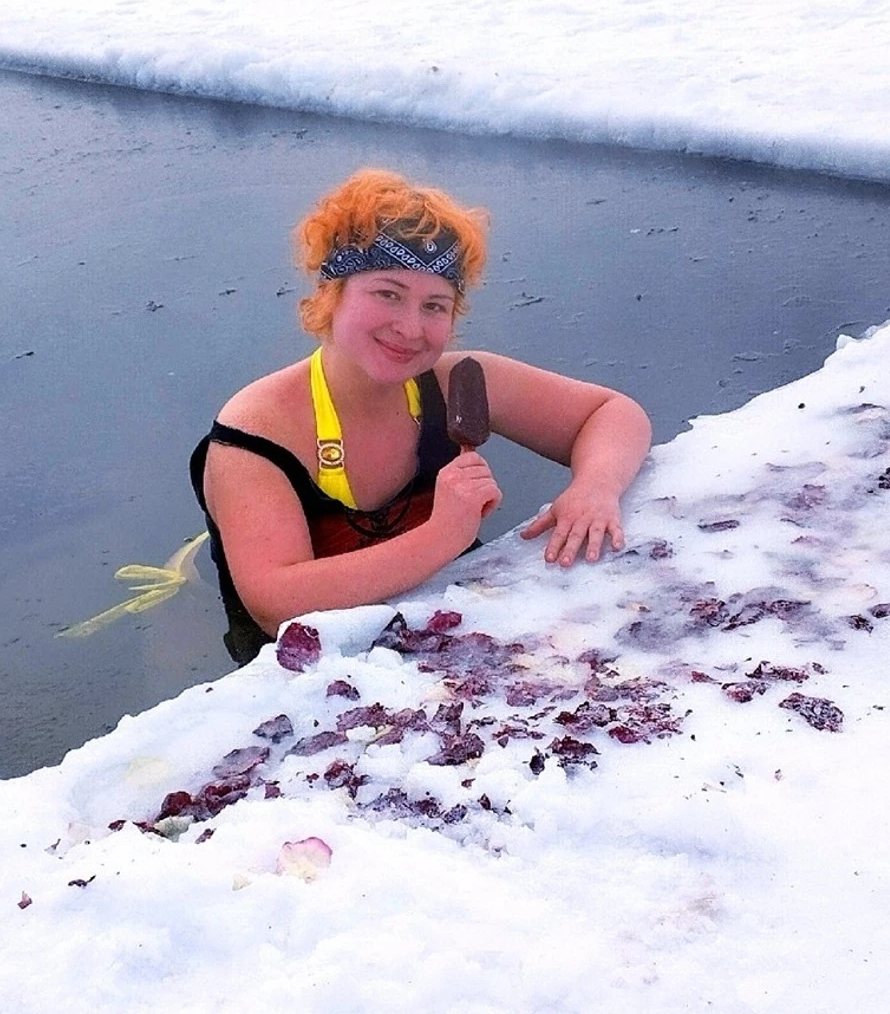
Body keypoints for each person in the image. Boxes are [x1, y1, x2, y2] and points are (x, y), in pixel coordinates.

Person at [190, 169, 652, 662]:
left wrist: (595, 487)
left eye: (435, 305)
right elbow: (276, 603)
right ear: (332, 292)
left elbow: (612, 413)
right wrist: (441, 537)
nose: (410, 328)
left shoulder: (455, 384)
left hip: (457, 653)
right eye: (387, 294)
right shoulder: (256, 431)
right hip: (309, 690)